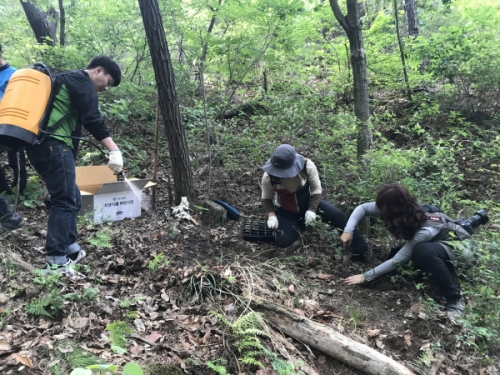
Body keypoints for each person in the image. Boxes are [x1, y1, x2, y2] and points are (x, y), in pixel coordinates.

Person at [26, 55, 124, 274]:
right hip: (54, 146)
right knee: (64, 200)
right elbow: (93, 119)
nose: (106, 89)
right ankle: (55, 261)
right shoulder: (82, 81)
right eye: (108, 83)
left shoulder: (63, 79)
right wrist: (113, 149)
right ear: (99, 70)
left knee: (72, 196)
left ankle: (70, 249)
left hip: (42, 147)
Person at [341, 183, 469, 316]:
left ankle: (455, 298)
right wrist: (348, 230)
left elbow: (396, 261)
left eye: (383, 210)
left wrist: (365, 276)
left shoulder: (425, 231)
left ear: (394, 211)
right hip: (435, 244)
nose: (380, 212)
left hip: (460, 247)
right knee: (397, 263)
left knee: (422, 252)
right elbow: (362, 208)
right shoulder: (400, 210)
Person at [261, 144, 369, 260]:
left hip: (311, 204)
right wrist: (272, 216)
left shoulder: (307, 166)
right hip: (287, 212)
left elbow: (316, 190)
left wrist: (312, 210)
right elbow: (266, 198)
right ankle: (300, 225)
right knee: (283, 241)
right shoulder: (268, 177)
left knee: (339, 217)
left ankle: (362, 251)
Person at [0, 44, 24, 236]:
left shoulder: (15, 76)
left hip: (5, 131)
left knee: (16, 167)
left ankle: (9, 217)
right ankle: (8, 216)